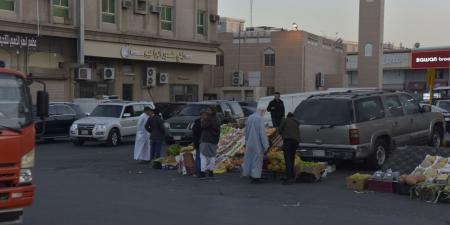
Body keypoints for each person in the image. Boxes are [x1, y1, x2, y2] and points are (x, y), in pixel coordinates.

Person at [243, 107, 270, 184]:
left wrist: (246, 141)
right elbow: (262, 134)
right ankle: (256, 177)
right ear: (262, 111)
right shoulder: (260, 119)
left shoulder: (250, 117)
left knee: (250, 159)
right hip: (257, 143)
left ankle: (250, 174)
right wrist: (266, 145)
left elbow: (246, 131)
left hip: (249, 142)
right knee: (257, 160)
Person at [278, 112, 300, 185]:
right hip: (296, 141)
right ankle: (292, 175)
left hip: (288, 141)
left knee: (288, 158)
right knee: (292, 158)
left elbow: (279, 130)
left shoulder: (285, 120)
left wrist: (283, 134)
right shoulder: (296, 122)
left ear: (288, 116)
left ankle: (288, 178)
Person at [199, 106, 221, 178]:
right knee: (212, 156)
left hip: (206, 139)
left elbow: (203, 126)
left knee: (203, 156)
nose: (207, 111)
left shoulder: (209, 118)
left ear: (212, 111)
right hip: (214, 140)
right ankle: (211, 172)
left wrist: (203, 119)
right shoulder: (217, 119)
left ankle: (202, 173)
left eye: (208, 110)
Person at [192, 111, 208, 177]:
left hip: (203, 142)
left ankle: (201, 170)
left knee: (202, 157)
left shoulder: (207, 122)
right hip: (199, 141)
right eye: (203, 115)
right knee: (199, 157)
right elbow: (194, 130)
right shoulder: (197, 122)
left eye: (205, 115)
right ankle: (199, 171)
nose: (204, 116)